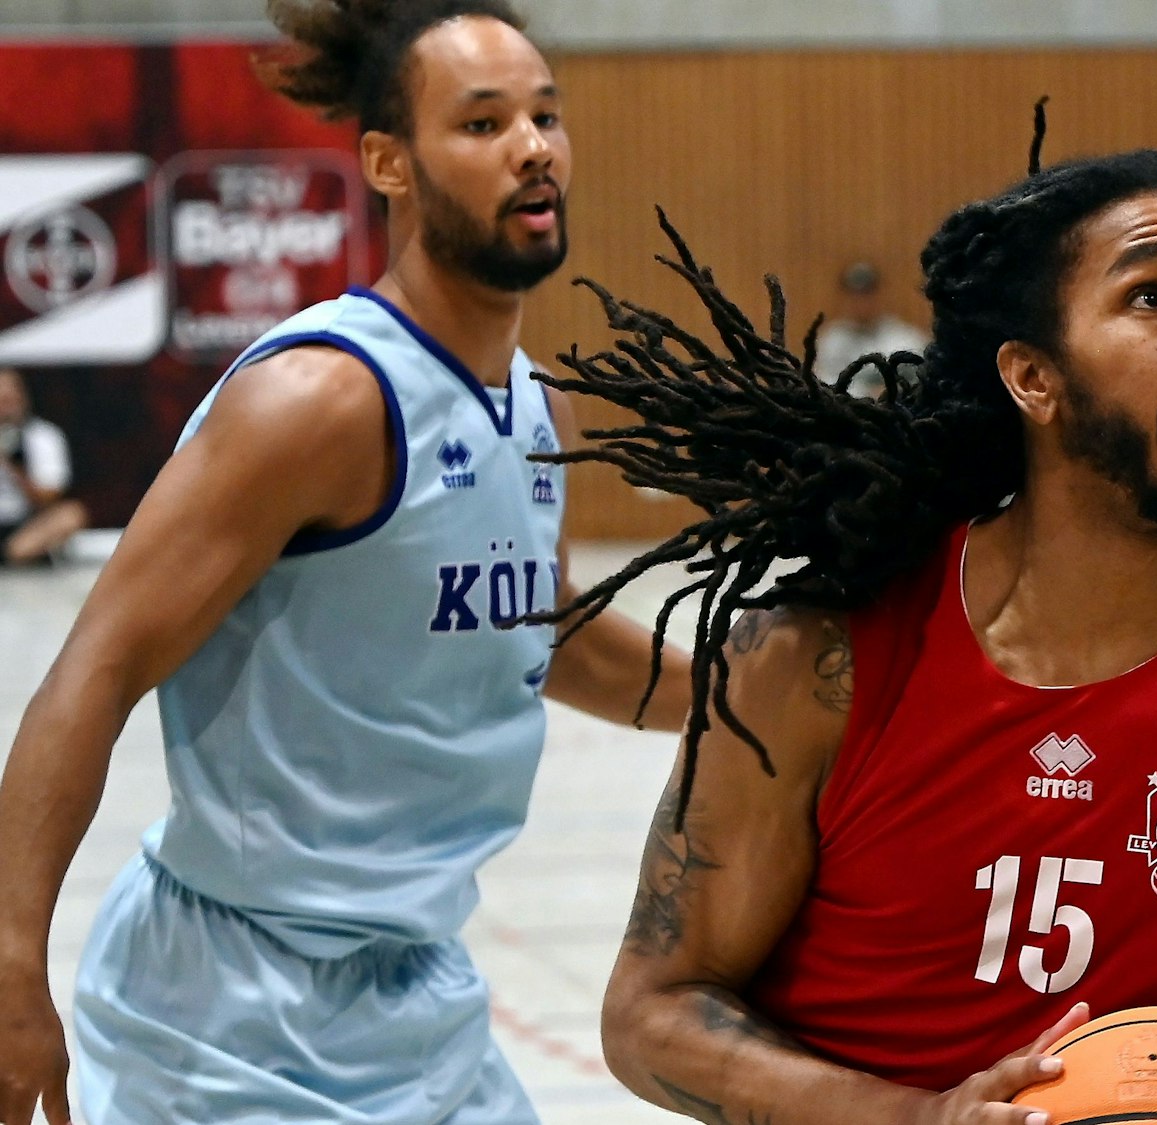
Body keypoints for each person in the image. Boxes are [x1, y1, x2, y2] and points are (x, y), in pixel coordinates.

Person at [541, 136, 1157, 1125]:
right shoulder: (821, 658)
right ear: (1032, 376)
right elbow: (654, 1011)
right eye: (1149, 299)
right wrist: (916, 1119)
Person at [0, 3, 693, 1123]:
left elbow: (541, 629)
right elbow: (97, 666)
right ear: (387, 163)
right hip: (226, 1010)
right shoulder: (317, 399)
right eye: (481, 123)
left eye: (545, 116)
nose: (532, 146)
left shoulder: (534, 407)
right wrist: (7, 958)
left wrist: (744, 698)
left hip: (421, 993)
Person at [0, 369, 88, 567]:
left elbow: (50, 496)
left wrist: (16, 467)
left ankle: (10, 554)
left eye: (10, 399)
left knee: (71, 515)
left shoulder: (45, 436)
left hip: (25, 525)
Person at [811, 259, 929, 397]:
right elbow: (824, 386)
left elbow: (921, 384)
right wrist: (868, 393)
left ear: (879, 295)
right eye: (855, 295)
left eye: (867, 294)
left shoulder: (907, 340)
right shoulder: (832, 343)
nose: (861, 303)